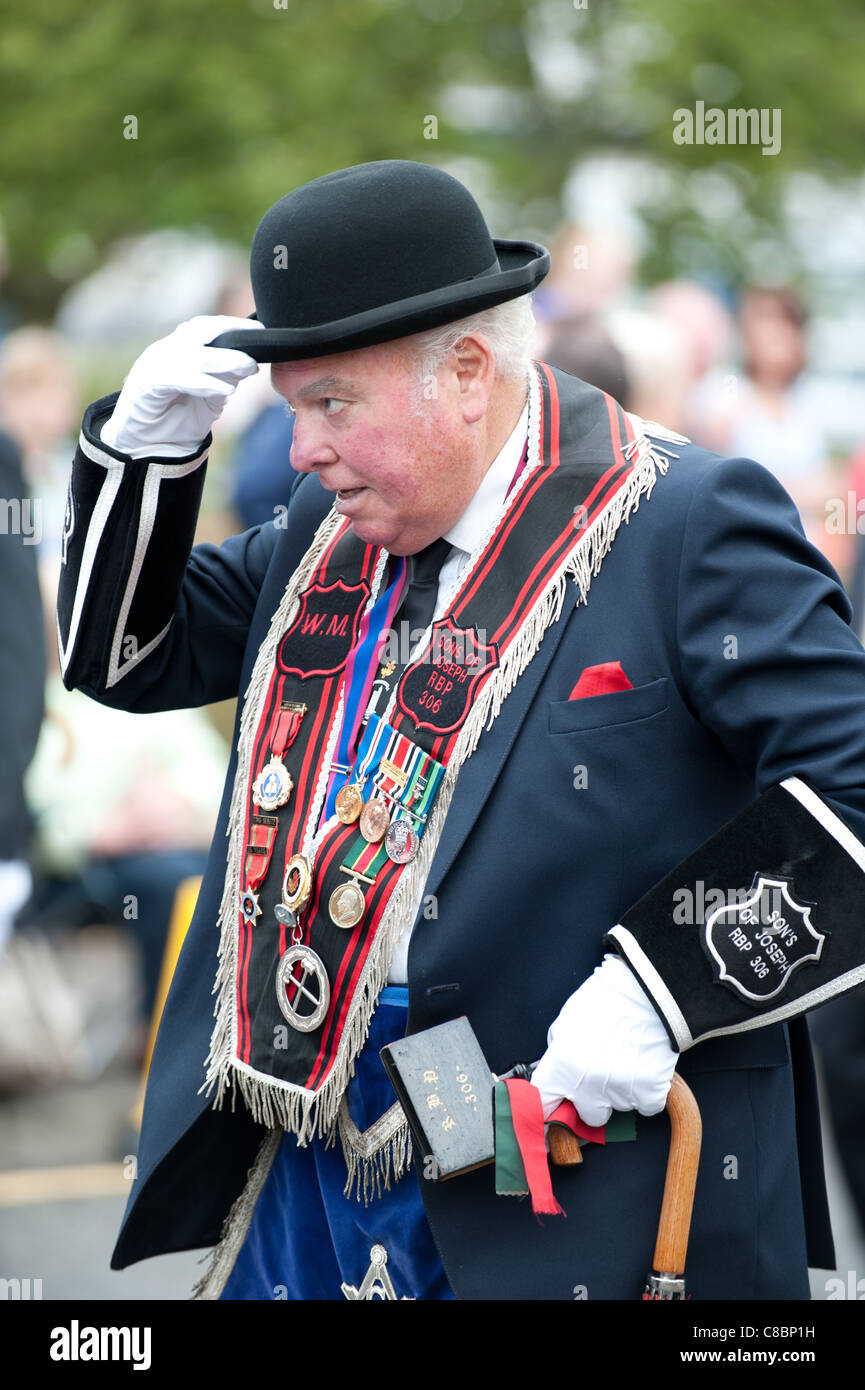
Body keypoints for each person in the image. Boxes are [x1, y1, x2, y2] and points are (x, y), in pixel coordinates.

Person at [57, 160, 865, 1301]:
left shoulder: (687, 517)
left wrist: (653, 991)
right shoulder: (322, 524)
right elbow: (121, 658)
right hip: (319, 1155)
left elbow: (850, 793)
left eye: (332, 403)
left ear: (469, 373)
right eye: (292, 409)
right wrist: (144, 451)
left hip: (577, 1170)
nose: (299, 450)